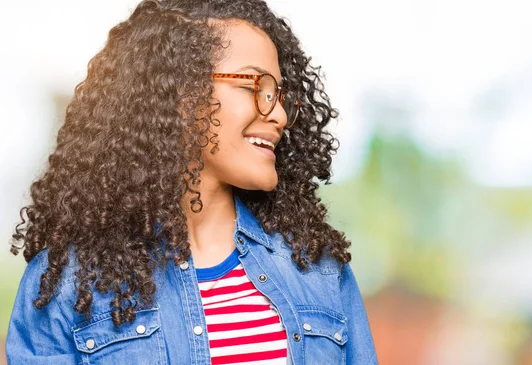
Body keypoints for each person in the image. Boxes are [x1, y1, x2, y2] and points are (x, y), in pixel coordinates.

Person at [6, 0, 378, 364]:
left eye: (280, 96)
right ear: (179, 93)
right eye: (256, 87)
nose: (278, 114)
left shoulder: (320, 272)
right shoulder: (67, 285)